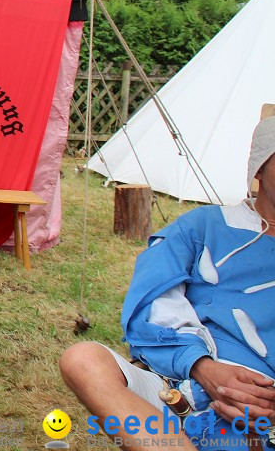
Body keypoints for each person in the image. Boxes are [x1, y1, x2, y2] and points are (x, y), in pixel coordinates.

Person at [60, 116, 275, 450]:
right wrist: (203, 368)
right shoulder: (202, 227)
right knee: (83, 360)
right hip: (183, 391)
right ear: (259, 168)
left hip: (264, 413)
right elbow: (150, 305)